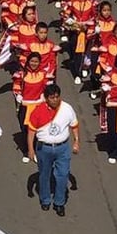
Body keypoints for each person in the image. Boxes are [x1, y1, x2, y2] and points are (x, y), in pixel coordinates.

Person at [26, 84, 79, 217]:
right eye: (52, 97)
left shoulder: (67, 109)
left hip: (62, 148)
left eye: (57, 97)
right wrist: (31, 150)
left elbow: (74, 125)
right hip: (44, 148)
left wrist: (76, 141)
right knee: (44, 175)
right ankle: (45, 200)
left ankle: (59, 203)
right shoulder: (37, 111)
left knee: (62, 175)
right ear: (46, 98)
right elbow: (31, 132)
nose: (55, 100)